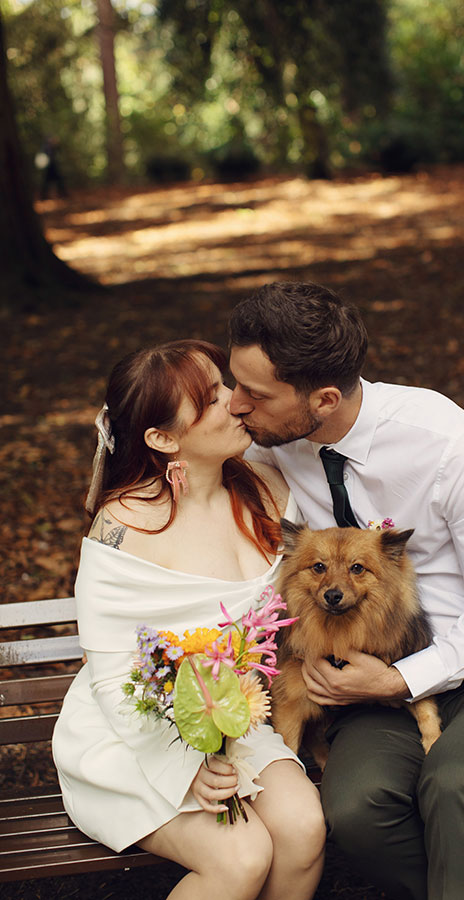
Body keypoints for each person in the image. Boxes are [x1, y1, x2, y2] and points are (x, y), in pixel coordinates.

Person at [227, 282, 464, 900]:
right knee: (356, 809)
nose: (234, 405)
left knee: (456, 781)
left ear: (324, 398)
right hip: (368, 676)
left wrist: (403, 680)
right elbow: (171, 448)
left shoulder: (445, 442)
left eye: (254, 394)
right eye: (234, 384)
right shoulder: (271, 441)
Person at [52, 339, 325, 900]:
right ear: (163, 438)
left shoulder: (267, 491)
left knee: (303, 828)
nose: (236, 402)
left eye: (225, 385)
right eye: (211, 400)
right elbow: (110, 678)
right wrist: (185, 770)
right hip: (133, 735)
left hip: (233, 719)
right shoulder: (124, 525)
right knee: (242, 856)